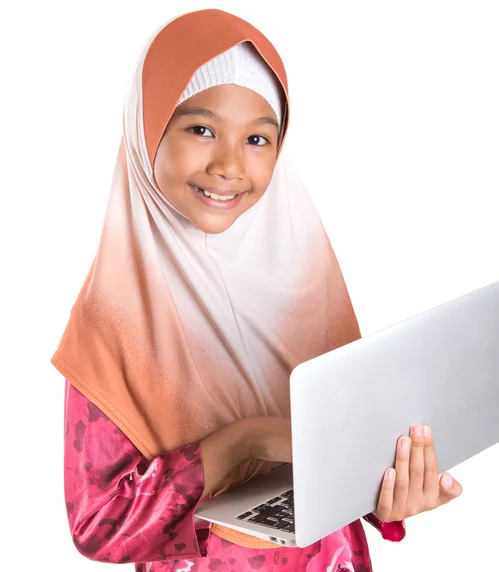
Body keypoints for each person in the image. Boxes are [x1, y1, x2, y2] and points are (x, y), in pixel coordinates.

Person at [52, 8, 463, 571]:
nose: (229, 165)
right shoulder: (115, 321)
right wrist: (244, 442)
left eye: (257, 138)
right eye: (200, 129)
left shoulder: (303, 286)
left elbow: (344, 457)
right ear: (146, 128)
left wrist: (396, 487)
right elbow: (99, 526)